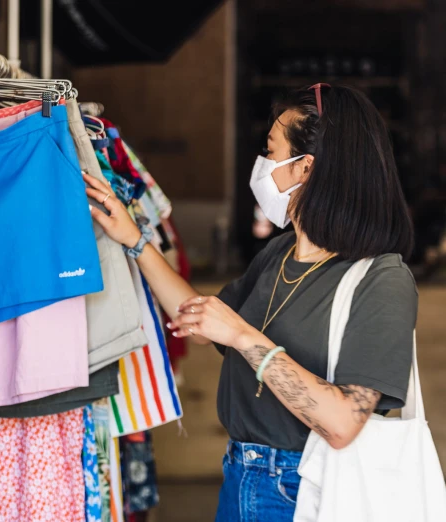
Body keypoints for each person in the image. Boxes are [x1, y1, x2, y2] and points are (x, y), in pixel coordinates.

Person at [83, 83, 417, 521]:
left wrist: (242, 336)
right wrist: (134, 239)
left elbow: (342, 423)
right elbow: (199, 319)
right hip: (242, 473)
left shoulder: (382, 279)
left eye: (271, 151)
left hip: (308, 488)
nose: (262, 165)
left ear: (306, 169)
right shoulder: (278, 254)